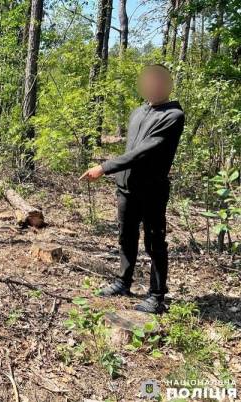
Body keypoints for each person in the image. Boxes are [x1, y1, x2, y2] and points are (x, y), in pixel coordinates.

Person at [79, 63, 185, 314]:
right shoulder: (138, 112)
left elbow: (143, 152)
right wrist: (117, 175)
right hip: (126, 188)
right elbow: (130, 149)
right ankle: (123, 282)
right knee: (126, 236)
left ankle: (157, 296)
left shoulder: (173, 116)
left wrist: (104, 167)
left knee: (154, 242)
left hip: (152, 191)